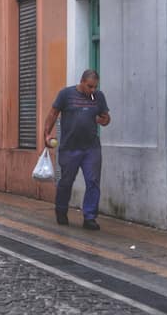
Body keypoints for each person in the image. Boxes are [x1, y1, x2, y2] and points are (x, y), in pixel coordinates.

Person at [44, 69, 111, 230]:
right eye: (90, 86)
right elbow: (53, 113)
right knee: (66, 182)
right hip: (70, 148)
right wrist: (46, 134)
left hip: (91, 148)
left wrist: (104, 119)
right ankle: (61, 210)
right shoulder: (66, 94)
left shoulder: (98, 97)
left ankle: (89, 217)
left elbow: (106, 119)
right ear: (82, 82)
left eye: (95, 87)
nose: (92, 90)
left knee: (93, 181)